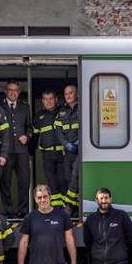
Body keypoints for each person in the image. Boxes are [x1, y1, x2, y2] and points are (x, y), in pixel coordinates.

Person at [0, 81, 31, 218]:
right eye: (10, 90)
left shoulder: (25, 107)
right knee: (5, 181)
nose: (13, 93)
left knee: (24, 181)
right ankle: (9, 211)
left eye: (16, 90)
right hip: (5, 151)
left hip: (22, 151)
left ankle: (23, 211)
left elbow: (30, 127)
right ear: (6, 91)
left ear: (19, 92)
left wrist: (27, 136)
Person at [33, 90, 66, 207]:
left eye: (51, 98)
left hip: (62, 153)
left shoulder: (63, 112)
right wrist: (30, 152)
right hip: (47, 155)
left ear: (56, 100)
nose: (48, 101)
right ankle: (57, 207)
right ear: (42, 101)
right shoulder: (38, 116)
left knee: (63, 181)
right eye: (46, 99)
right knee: (52, 183)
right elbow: (35, 136)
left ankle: (66, 208)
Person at [54, 85, 80, 215]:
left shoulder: (83, 108)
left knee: (76, 174)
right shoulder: (61, 112)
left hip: (81, 150)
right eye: (66, 93)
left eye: (71, 93)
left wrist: (80, 141)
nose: (68, 95)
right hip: (68, 150)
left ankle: (68, 206)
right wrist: (66, 144)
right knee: (68, 177)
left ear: (77, 94)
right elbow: (58, 131)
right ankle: (76, 206)